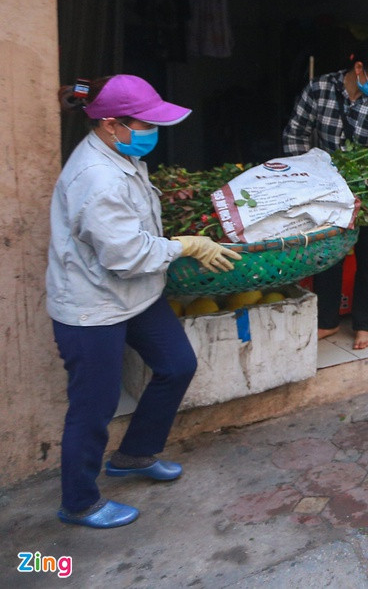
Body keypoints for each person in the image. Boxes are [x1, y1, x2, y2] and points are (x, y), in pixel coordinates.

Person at [48, 75, 240, 528]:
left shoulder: (120, 155)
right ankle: (79, 503)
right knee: (93, 409)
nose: (153, 133)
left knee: (176, 364)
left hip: (133, 295)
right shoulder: (95, 178)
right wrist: (186, 245)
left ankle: (133, 455)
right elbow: (126, 255)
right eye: (145, 125)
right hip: (92, 306)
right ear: (112, 124)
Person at [283, 39, 368, 349]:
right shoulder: (319, 89)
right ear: (359, 68)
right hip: (324, 189)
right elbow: (295, 133)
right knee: (328, 255)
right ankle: (327, 321)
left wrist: (360, 193)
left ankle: (365, 325)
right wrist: (307, 178)